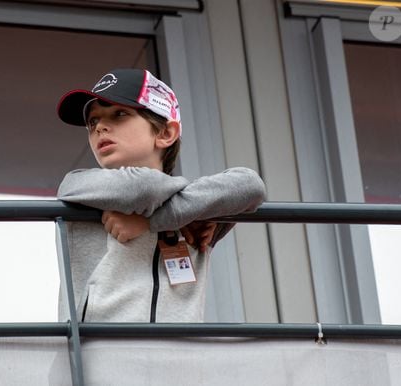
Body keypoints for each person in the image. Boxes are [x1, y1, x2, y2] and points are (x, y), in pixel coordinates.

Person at [55, 68, 265, 323]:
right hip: (95, 355)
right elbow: (144, 187)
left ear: (165, 133)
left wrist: (153, 221)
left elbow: (251, 185)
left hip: (177, 357)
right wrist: (185, 213)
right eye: (92, 121)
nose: (100, 127)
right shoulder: (79, 185)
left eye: (119, 114)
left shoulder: (192, 213)